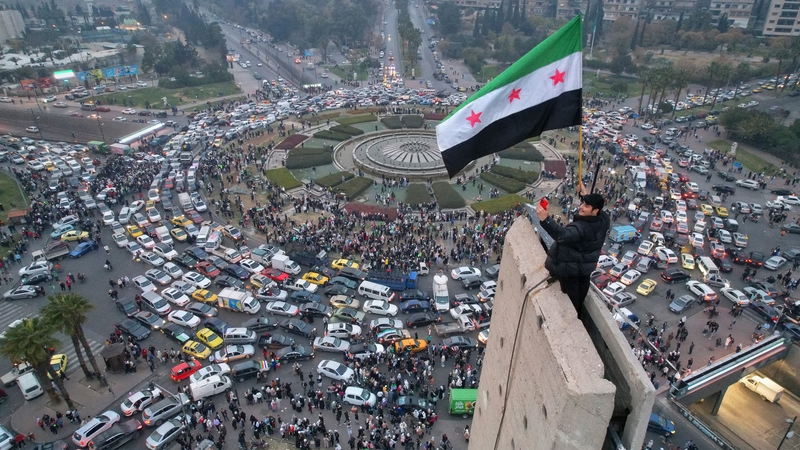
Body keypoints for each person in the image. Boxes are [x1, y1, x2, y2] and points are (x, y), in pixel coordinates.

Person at [536, 183, 610, 315]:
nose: (581, 207)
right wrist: (585, 195)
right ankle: (578, 315)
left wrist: (546, 220)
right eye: (583, 203)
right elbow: (598, 208)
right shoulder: (604, 220)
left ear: (595, 211)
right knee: (581, 294)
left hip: (570, 270)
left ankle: (573, 320)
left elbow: (561, 235)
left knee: (571, 302)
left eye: (586, 206)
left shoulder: (581, 228)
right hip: (585, 268)